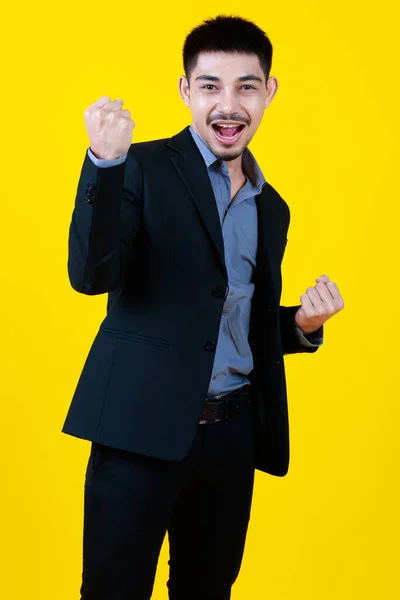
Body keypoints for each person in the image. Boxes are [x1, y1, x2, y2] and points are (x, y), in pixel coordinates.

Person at [62, 14, 344, 600]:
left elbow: (229, 319)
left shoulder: (273, 208)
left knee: (207, 589)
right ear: (186, 91)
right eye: (211, 85)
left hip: (231, 437)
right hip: (139, 431)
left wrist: (300, 325)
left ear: (269, 92)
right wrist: (104, 166)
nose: (229, 103)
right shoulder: (137, 165)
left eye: (246, 86)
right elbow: (92, 276)